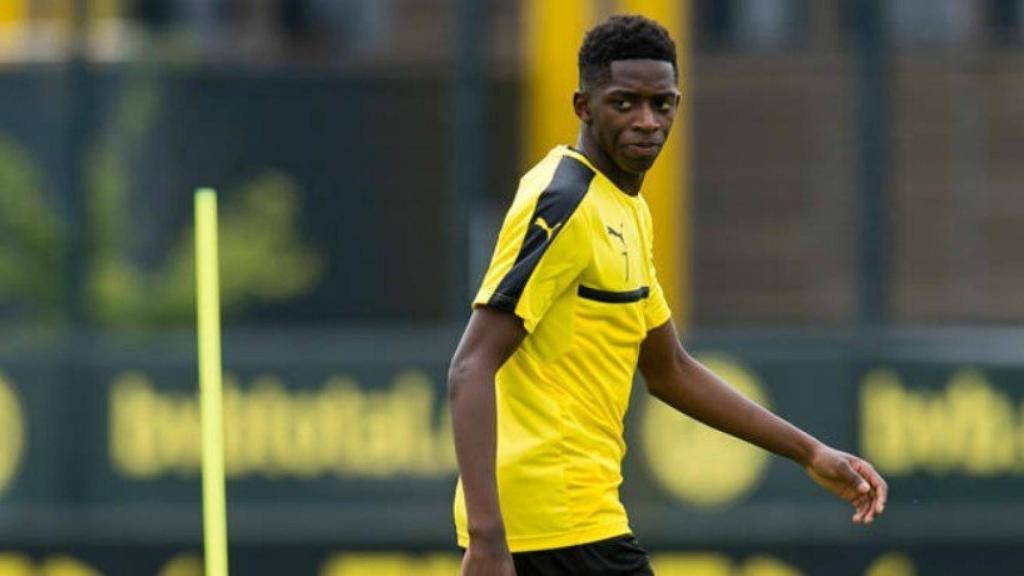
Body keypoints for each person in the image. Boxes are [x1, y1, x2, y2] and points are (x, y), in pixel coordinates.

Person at [448, 14, 887, 576]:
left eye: (663, 103)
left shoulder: (626, 208)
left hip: (575, 520)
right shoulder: (564, 200)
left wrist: (810, 452)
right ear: (583, 106)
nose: (648, 121)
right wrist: (488, 541)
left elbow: (670, 369)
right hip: (551, 527)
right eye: (625, 103)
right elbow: (471, 365)